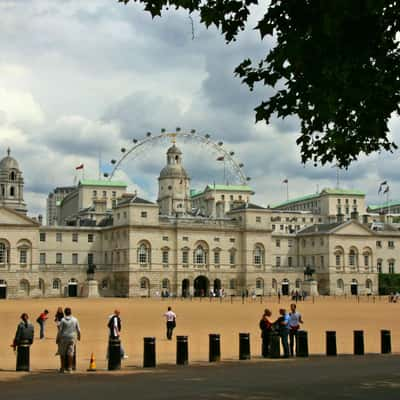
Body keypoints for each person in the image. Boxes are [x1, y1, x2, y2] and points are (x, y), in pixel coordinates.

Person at [57, 307, 80, 373]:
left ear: (65, 313)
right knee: (70, 353)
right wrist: (79, 336)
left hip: (64, 337)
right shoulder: (75, 319)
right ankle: (70, 368)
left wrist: (58, 338)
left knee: (62, 353)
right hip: (72, 338)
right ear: (71, 312)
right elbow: (78, 329)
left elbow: (60, 330)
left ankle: (62, 368)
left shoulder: (63, 320)